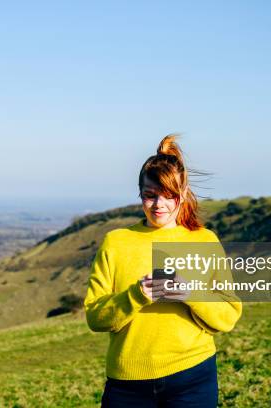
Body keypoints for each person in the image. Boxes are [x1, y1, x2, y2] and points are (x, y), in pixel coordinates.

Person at [83, 134, 243, 407]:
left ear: (182, 195)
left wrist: (189, 291)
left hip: (193, 378)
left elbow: (227, 316)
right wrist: (136, 295)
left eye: (170, 196)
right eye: (150, 195)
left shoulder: (203, 240)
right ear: (140, 194)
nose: (159, 205)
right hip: (127, 385)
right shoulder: (117, 241)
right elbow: (95, 317)